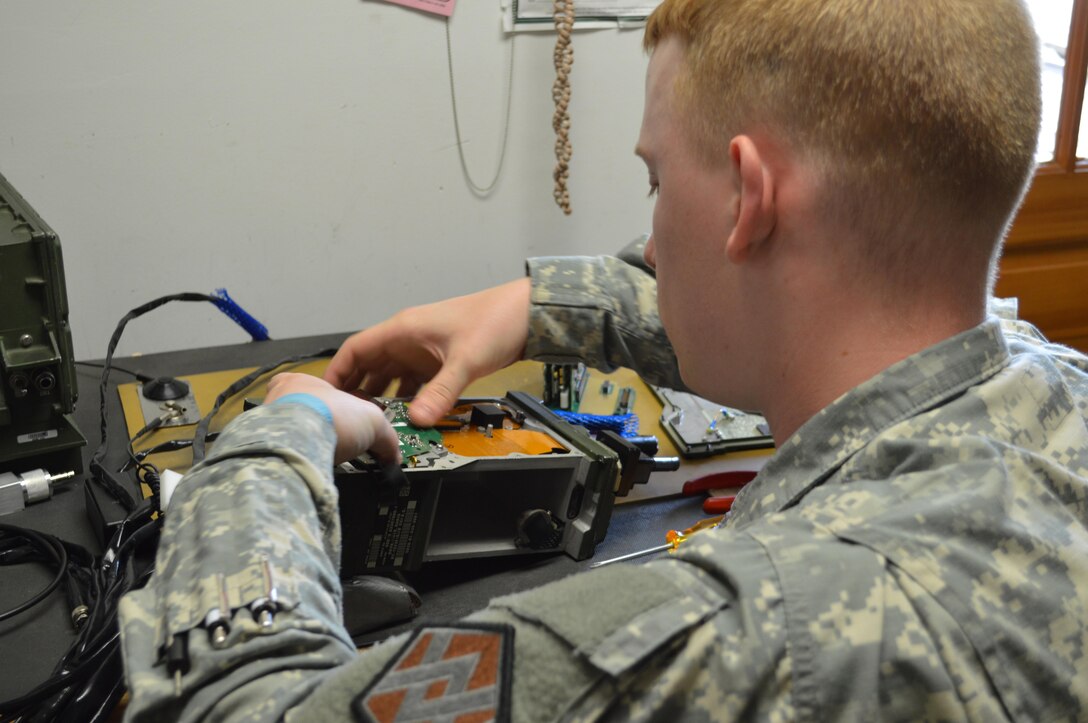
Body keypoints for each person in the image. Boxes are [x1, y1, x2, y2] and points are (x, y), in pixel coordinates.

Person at [119, 0, 1088, 719]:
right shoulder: (1054, 390)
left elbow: (243, 711)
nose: (651, 244)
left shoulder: (728, 641)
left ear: (748, 198)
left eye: (657, 178)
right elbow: (819, 299)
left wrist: (276, 439)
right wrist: (537, 305)